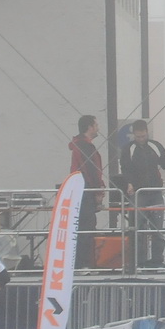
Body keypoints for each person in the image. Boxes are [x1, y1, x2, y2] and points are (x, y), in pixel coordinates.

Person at [120, 120, 165, 269]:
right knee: (137, 229)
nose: (141, 139)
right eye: (138, 137)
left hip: (155, 192)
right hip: (139, 193)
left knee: (157, 229)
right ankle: (139, 261)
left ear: (147, 133)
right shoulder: (128, 149)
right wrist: (129, 183)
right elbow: (125, 169)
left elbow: (164, 163)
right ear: (134, 135)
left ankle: (157, 261)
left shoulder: (155, 146)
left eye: (143, 136)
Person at [69, 115, 105, 268]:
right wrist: (98, 191)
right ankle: (83, 264)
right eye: (96, 125)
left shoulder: (80, 145)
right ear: (90, 127)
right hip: (86, 192)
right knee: (86, 228)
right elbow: (92, 170)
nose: (98, 128)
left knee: (84, 228)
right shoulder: (85, 147)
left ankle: (81, 263)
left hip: (82, 191)